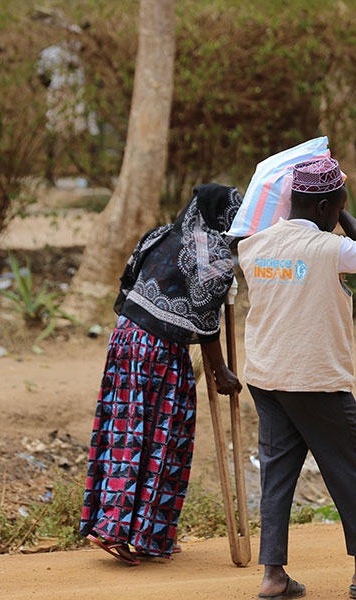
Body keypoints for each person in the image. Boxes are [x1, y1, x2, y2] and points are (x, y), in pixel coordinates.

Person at [237, 157, 356, 599]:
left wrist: (323, 206)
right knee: (352, 471)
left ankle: (273, 576)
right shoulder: (330, 248)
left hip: (266, 377)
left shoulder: (253, 245)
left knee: (276, 476)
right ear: (326, 207)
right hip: (315, 379)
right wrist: (342, 211)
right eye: (338, 202)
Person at [80, 183, 244, 564]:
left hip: (125, 338)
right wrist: (221, 372)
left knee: (126, 426)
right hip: (159, 350)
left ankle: (133, 530)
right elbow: (205, 323)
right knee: (159, 434)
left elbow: (126, 287)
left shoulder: (161, 234)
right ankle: (122, 530)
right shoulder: (212, 254)